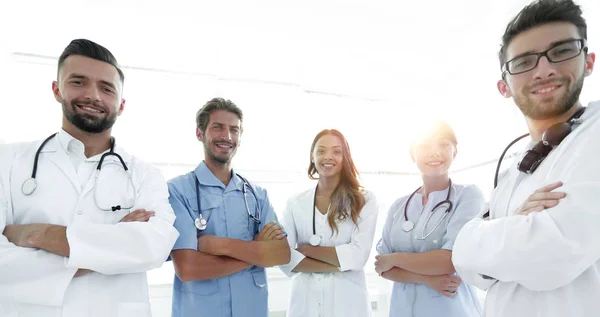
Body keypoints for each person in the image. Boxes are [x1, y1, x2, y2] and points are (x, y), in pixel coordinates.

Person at [0, 39, 179, 317]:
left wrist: (38, 235)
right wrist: (113, 247)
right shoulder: (7, 161)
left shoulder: (146, 175)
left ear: (120, 104)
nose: (93, 95)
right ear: (57, 90)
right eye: (78, 82)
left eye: (106, 88)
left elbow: (152, 247)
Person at [451, 0, 599, 316]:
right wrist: (512, 229)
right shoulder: (515, 169)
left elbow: (553, 253)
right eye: (524, 62)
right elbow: (466, 264)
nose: (544, 69)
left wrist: (480, 236)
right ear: (504, 86)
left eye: (561, 51)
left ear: (588, 61)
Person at [167, 97, 291, 317]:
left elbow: (280, 254)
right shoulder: (178, 191)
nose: (227, 136)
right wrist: (256, 252)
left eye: (234, 130)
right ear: (199, 133)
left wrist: (216, 244)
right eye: (218, 127)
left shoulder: (257, 195)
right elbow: (187, 268)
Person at [375, 121, 484, 317]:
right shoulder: (399, 206)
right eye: (424, 146)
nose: (434, 153)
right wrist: (427, 279)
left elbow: (448, 261)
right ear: (412, 154)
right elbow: (382, 267)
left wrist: (395, 258)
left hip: (451, 309)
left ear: (455, 152)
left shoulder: (468, 196)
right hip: (402, 310)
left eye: (443, 145)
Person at [279, 129, 379, 317]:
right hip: (305, 303)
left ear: (345, 157)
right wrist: (337, 264)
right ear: (312, 156)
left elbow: (358, 256)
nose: (328, 157)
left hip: (347, 303)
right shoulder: (295, 203)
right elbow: (284, 257)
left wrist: (308, 251)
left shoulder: (364, 200)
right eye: (321, 151)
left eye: (336, 151)